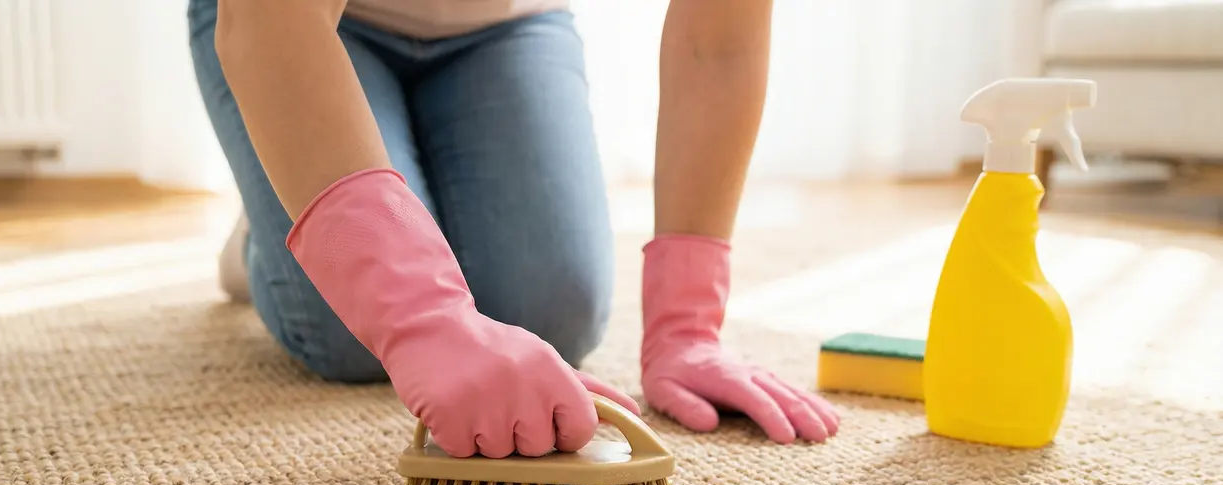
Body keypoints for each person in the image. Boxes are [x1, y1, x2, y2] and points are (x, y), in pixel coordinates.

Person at [188, 0, 840, 460]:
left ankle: (351, 188)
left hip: (505, 29)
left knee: (549, 315)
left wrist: (686, 326)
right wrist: (423, 320)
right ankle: (274, 223)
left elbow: (717, 43)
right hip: (304, 26)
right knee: (350, 339)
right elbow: (270, 23)